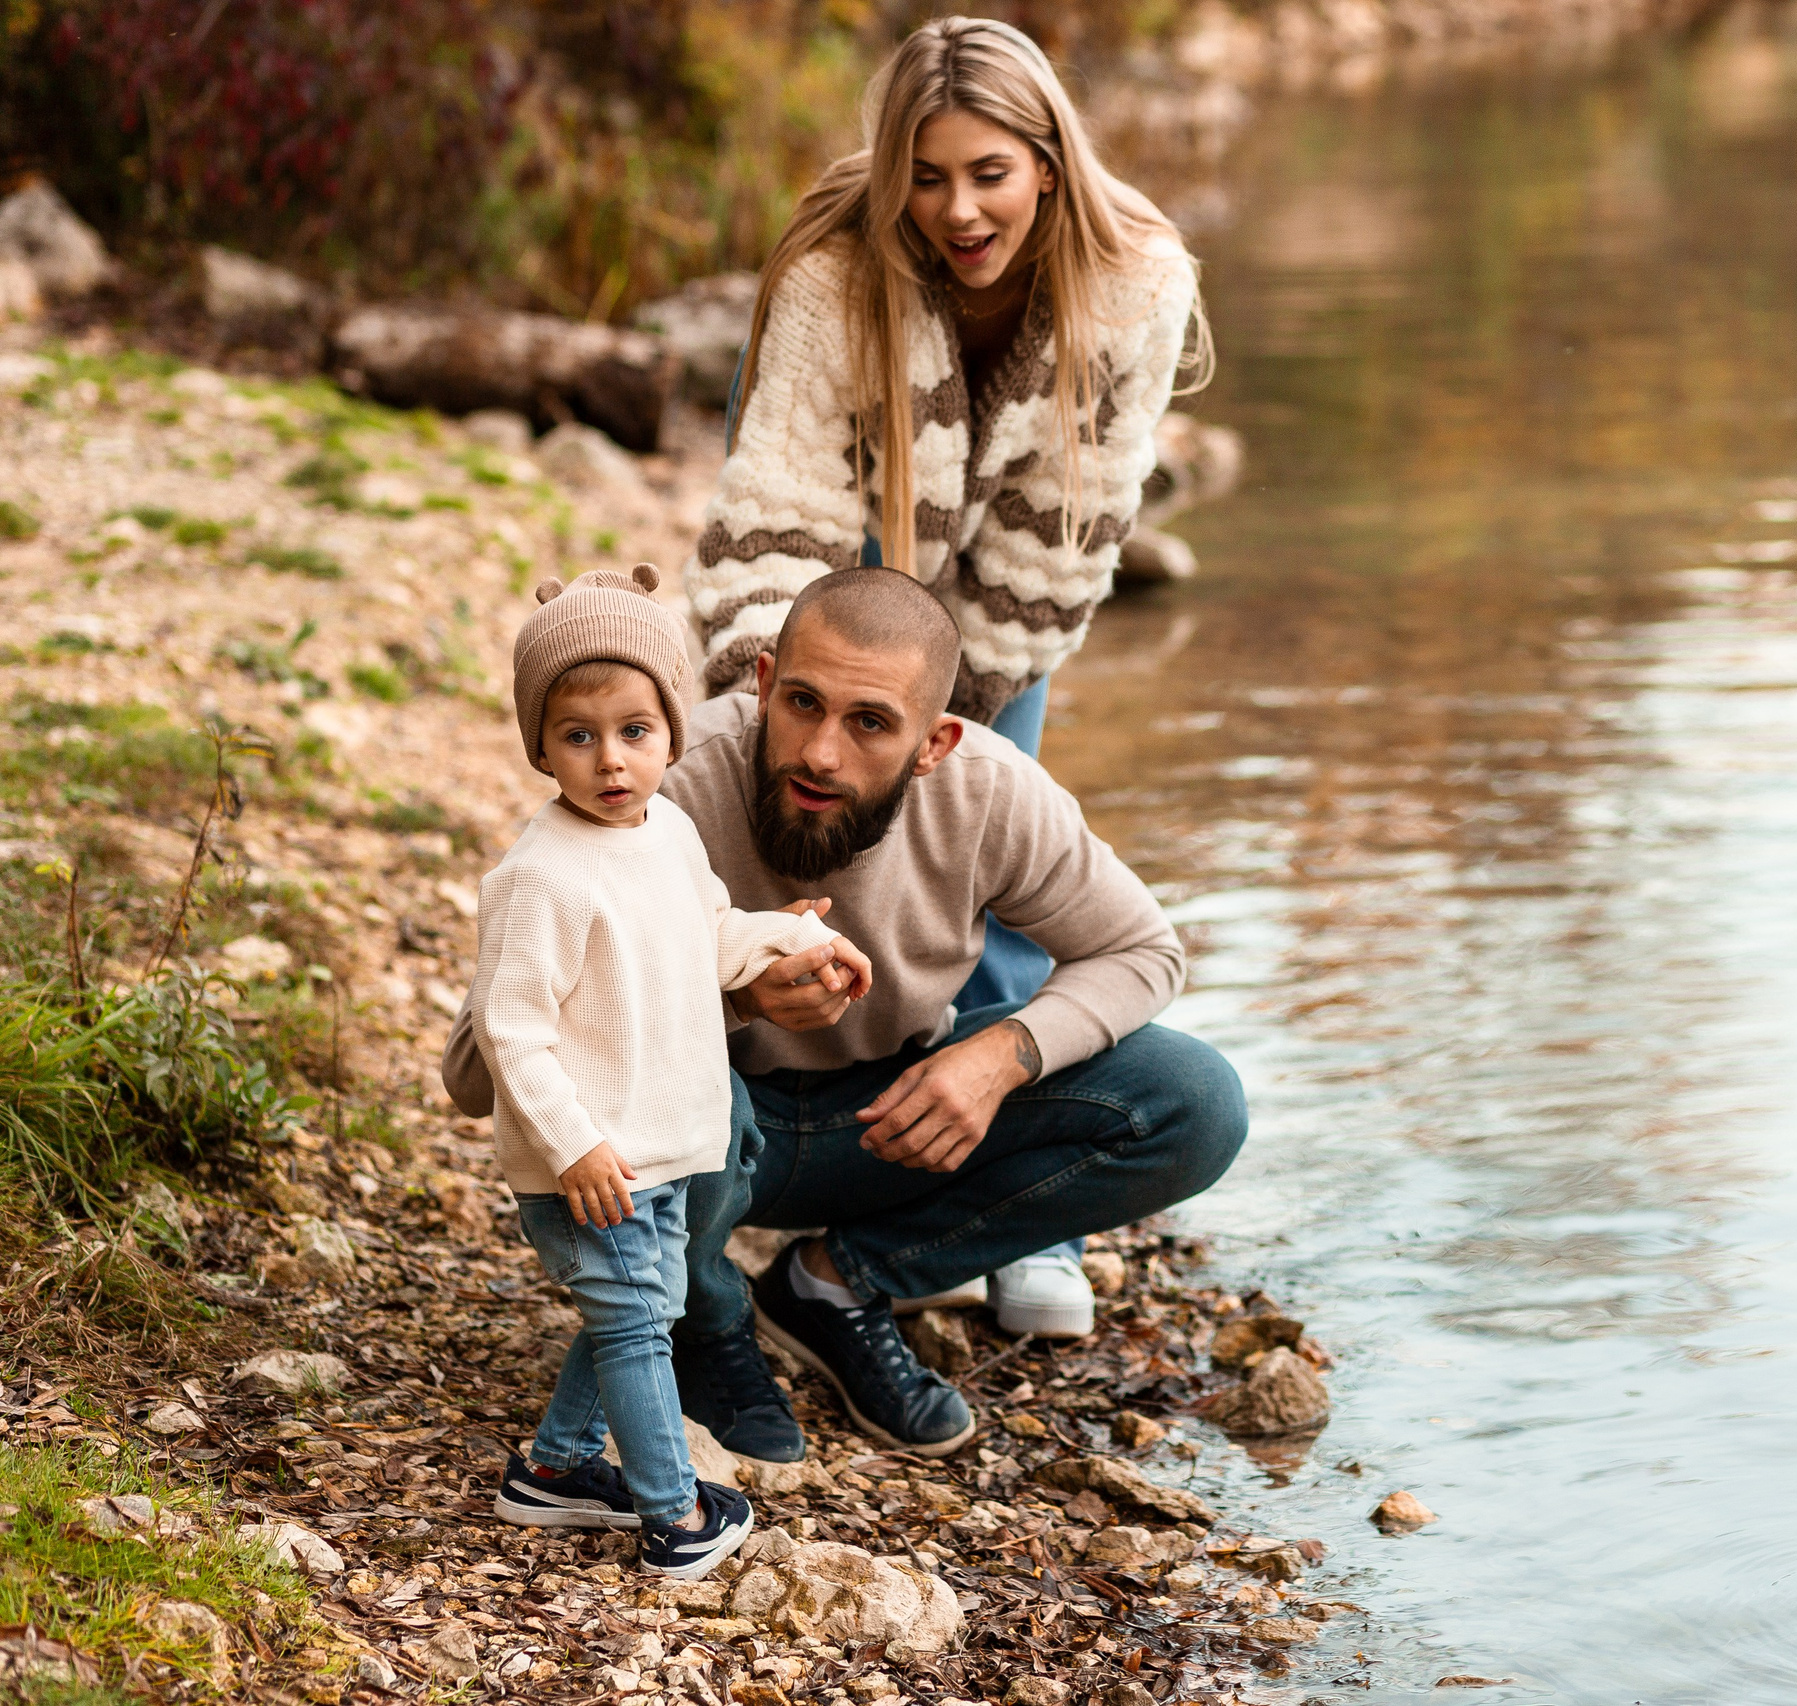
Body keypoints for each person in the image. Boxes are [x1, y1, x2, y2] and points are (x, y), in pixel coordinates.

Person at [686, 16, 1212, 1339]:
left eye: (988, 171)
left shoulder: (1134, 280)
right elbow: (783, 508)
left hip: (1005, 577)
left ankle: (1013, 1206)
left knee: (1004, 841)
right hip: (848, 510)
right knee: (801, 787)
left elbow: (1066, 533)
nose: (957, 208)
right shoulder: (832, 275)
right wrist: (781, 694)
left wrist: (953, 733)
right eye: (926, 175)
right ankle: (759, 1115)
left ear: (1047, 159)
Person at [656, 568, 1248, 1462]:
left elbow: (1146, 952)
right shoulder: (668, 781)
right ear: (765, 683)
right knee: (678, 1087)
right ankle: (707, 1319)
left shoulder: (989, 791)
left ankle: (839, 1285)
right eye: (804, 704)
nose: (821, 753)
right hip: (713, 1140)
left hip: (890, 1123)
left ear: (933, 743)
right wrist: (730, 998)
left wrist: (1004, 1053)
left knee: (1194, 1100)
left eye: (869, 723)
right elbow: (531, 1022)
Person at [467, 566, 868, 1578]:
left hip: (664, 1146)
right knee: (642, 1328)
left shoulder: (671, 831)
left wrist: (788, 937)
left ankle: (555, 1472)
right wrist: (576, 1146)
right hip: (597, 1164)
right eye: (578, 735)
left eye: (635, 731)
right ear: (541, 744)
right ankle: (672, 1515)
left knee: (634, 1310)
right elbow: (511, 1034)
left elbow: (711, 933)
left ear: (671, 733)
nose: (610, 760)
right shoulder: (543, 875)